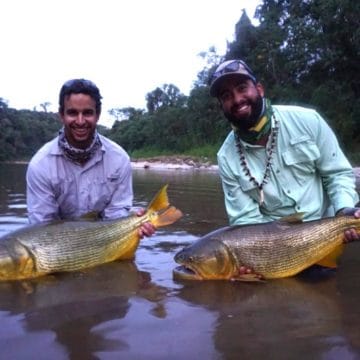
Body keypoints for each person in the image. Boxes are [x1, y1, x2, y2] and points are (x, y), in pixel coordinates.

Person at [209, 59, 360, 250]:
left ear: (259, 89)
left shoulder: (307, 120)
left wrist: (344, 211)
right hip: (274, 247)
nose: (237, 99)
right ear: (222, 105)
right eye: (227, 96)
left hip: (326, 233)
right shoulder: (226, 158)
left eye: (242, 88)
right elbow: (246, 221)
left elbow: (337, 174)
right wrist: (249, 256)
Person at [26, 78, 154, 237]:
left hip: (105, 240)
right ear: (61, 115)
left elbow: (116, 213)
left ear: (98, 115)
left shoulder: (119, 159)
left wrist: (133, 226)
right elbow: (42, 228)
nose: (80, 121)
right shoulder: (40, 165)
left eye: (87, 113)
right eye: (72, 113)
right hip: (58, 248)